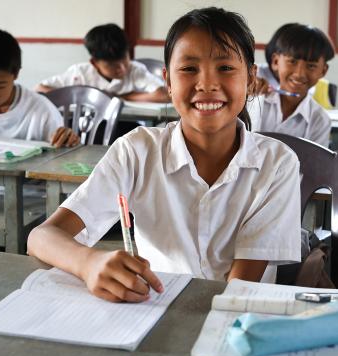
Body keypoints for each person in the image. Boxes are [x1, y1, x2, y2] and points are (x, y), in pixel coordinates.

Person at [28, 7, 302, 303]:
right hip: (150, 309)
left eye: (225, 68)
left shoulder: (277, 163)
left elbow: (236, 292)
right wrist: (89, 263)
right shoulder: (137, 151)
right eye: (188, 69)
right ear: (168, 82)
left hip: (236, 319)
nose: (207, 84)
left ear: (250, 79)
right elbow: (41, 238)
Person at [0, 27, 78, 147]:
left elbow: (60, 155)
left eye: (0, 85)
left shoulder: (42, 112)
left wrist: (67, 141)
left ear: (16, 74)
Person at [247, 23, 334, 147]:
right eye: (292, 62)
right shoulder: (253, 99)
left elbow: (314, 164)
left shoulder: (319, 120)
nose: (299, 74)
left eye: (311, 66)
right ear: (276, 62)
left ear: (323, 71)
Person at [36, 23, 169, 103]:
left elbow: (164, 94)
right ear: (94, 63)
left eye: (124, 59)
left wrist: (124, 97)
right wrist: (78, 96)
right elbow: (40, 88)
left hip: (125, 127)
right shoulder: (80, 72)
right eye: (112, 65)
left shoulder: (135, 70)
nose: (122, 68)